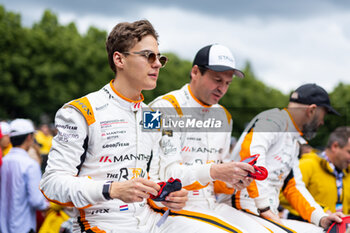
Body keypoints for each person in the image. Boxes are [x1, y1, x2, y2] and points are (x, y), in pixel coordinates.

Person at [40, 20, 230, 233]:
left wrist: (166, 196)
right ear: (119, 59)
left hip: (151, 223)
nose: (157, 64)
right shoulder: (81, 111)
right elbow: (51, 184)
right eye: (149, 56)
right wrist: (112, 189)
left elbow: (156, 179)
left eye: (160, 58)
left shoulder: (152, 116)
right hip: (101, 224)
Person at [149, 44, 270, 232]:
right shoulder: (164, 107)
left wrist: (233, 181)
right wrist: (216, 171)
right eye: (217, 80)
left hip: (210, 206)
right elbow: (166, 175)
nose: (222, 88)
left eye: (227, 83)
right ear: (195, 72)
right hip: (171, 208)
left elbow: (217, 180)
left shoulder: (224, 116)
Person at [223, 83, 345, 232]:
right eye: (323, 114)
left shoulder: (293, 139)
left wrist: (321, 217)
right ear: (312, 110)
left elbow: (293, 187)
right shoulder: (272, 120)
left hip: (261, 215)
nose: (322, 122)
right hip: (238, 212)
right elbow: (251, 156)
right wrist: (264, 207)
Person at [284, 126, 350, 220]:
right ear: (335, 146)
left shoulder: (347, 172)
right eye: (349, 152)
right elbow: (284, 196)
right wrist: (321, 212)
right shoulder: (307, 164)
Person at [0, 118, 49, 233]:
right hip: (23, 225)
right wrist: (47, 206)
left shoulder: (4, 161)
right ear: (29, 137)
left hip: (3, 225)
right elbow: (36, 200)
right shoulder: (30, 165)